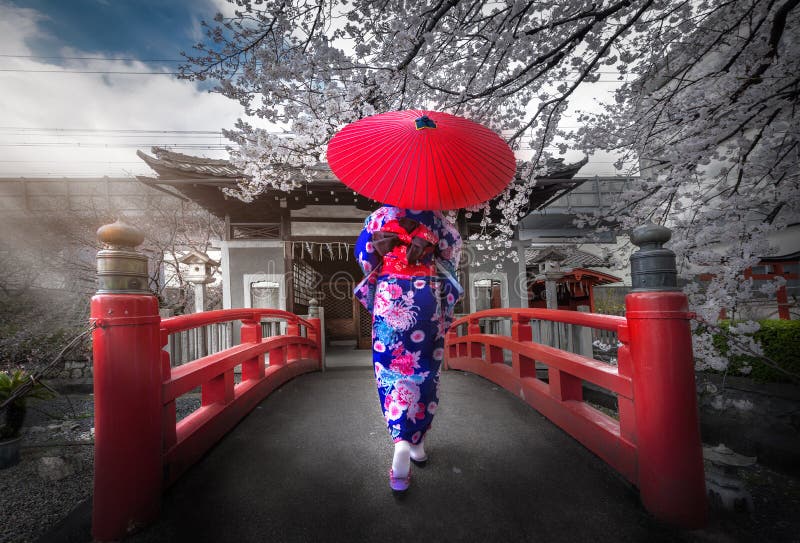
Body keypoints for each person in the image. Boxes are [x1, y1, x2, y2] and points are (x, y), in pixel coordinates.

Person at [354, 205, 463, 491]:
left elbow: (364, 258)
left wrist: (390, 260)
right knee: (426, 368)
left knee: (389, 368)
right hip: (424, 294)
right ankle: (417, 444)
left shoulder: (378, 217)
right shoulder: (439, 219)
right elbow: (451, 257)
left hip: (390, 294)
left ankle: (401, 441)